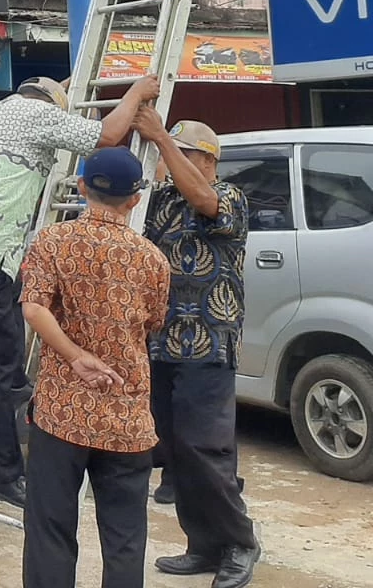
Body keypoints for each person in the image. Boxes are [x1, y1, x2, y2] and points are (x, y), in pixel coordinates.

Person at [0, 73, 160, 507]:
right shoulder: (42, 116)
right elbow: (107, 134)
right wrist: (136, 93)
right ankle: (0, 471)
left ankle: (15, 386)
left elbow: (46, 95)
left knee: (3, 355)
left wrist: (65, 86)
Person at [20, 146, 171, 588]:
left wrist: (74, 356)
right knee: (125, 539)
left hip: (60, 413)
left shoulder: (52, 241)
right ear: (135, 199)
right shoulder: (152, 260)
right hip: (126, 416)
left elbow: (33, 310)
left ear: (82, 187)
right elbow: (153, 325)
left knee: (50, 530)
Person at [136, 109, 261, 588]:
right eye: (169, 153)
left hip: (207, 342)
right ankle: (202, 544)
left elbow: (205, 201)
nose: (171, 162)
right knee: (175, 452)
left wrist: (159, 140)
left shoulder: (227, 195)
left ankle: (239, 542)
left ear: (208, 160)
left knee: (205, 448)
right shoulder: (162, 200)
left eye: (183, 153)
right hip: (160, 342)